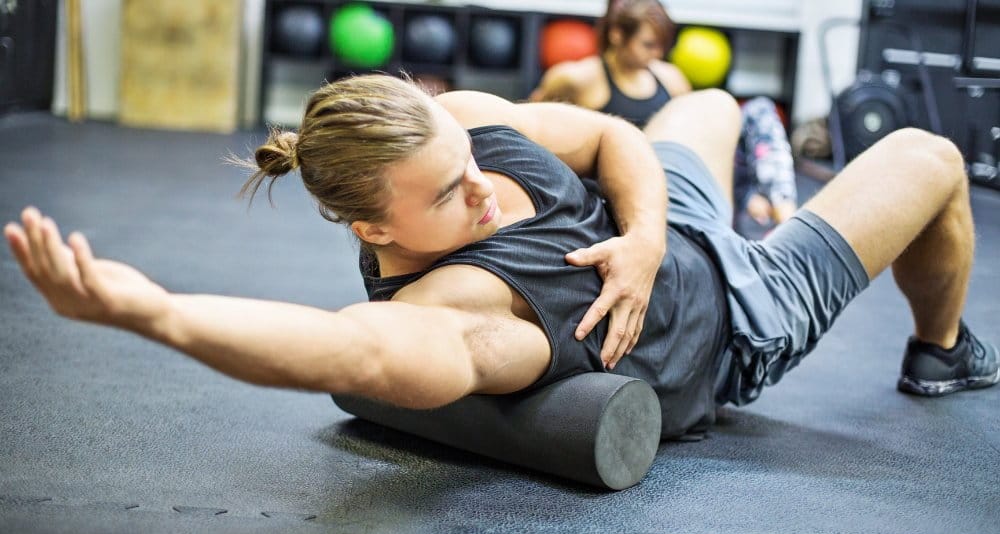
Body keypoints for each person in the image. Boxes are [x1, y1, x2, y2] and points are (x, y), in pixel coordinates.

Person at [4, 74, 998, 441]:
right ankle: (940, 349)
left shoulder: (465, 124)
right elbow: (346, 353)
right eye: (448, 194)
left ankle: (711, 210)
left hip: (665, 228)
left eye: (466, 161)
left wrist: (643, 236)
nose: (480, 185)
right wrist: (153, 312)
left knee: (710, 106)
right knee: (930, 157)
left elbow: (611, 141)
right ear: (376, 230)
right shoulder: (460, 311)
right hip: (735, 313)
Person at [530, 0, 797, 227]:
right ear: (617, 35)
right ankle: (753, 201)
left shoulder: (670, 78)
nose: (657, 53)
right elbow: (536, 127)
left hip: (678, 181)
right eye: (648, 44)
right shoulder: (578, 78)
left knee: (760, 110)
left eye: (661, 45)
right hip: (625, 188)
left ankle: (778, 212)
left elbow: (697, 142)